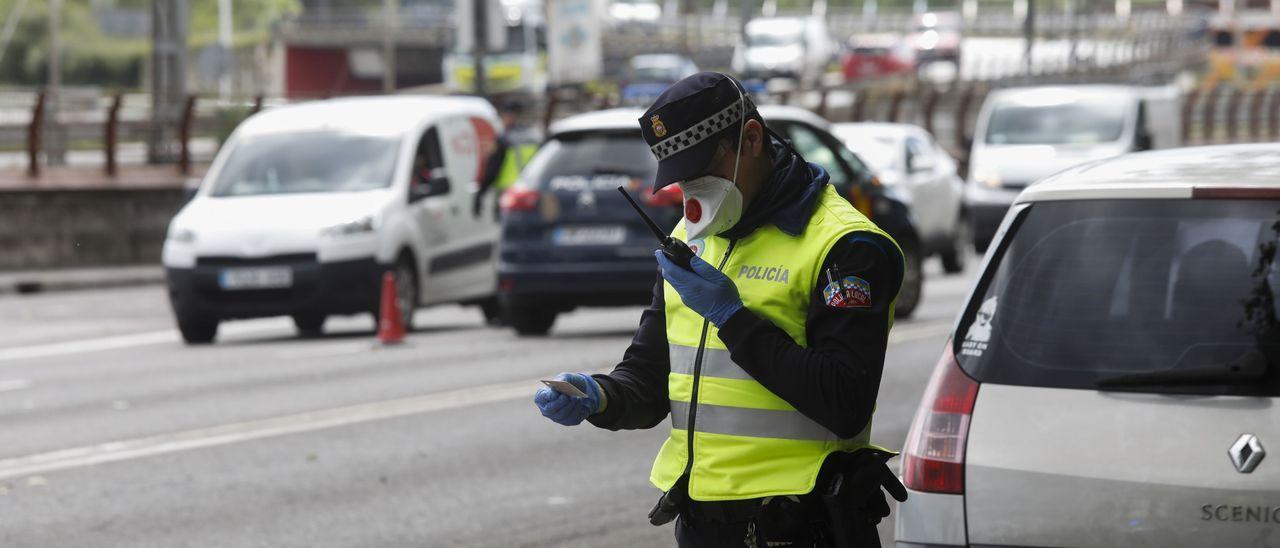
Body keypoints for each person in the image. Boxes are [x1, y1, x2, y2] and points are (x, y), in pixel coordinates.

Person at [533, 72, 907, 547]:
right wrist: (598, 397)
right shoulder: (692, 242)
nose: (690, 190)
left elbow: (844, 401)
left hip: (802, 526)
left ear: (751, 139)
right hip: (703, 524)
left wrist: (733, 318)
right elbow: (648, 380)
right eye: (679, 177)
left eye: (699, 171)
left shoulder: (845, 246)